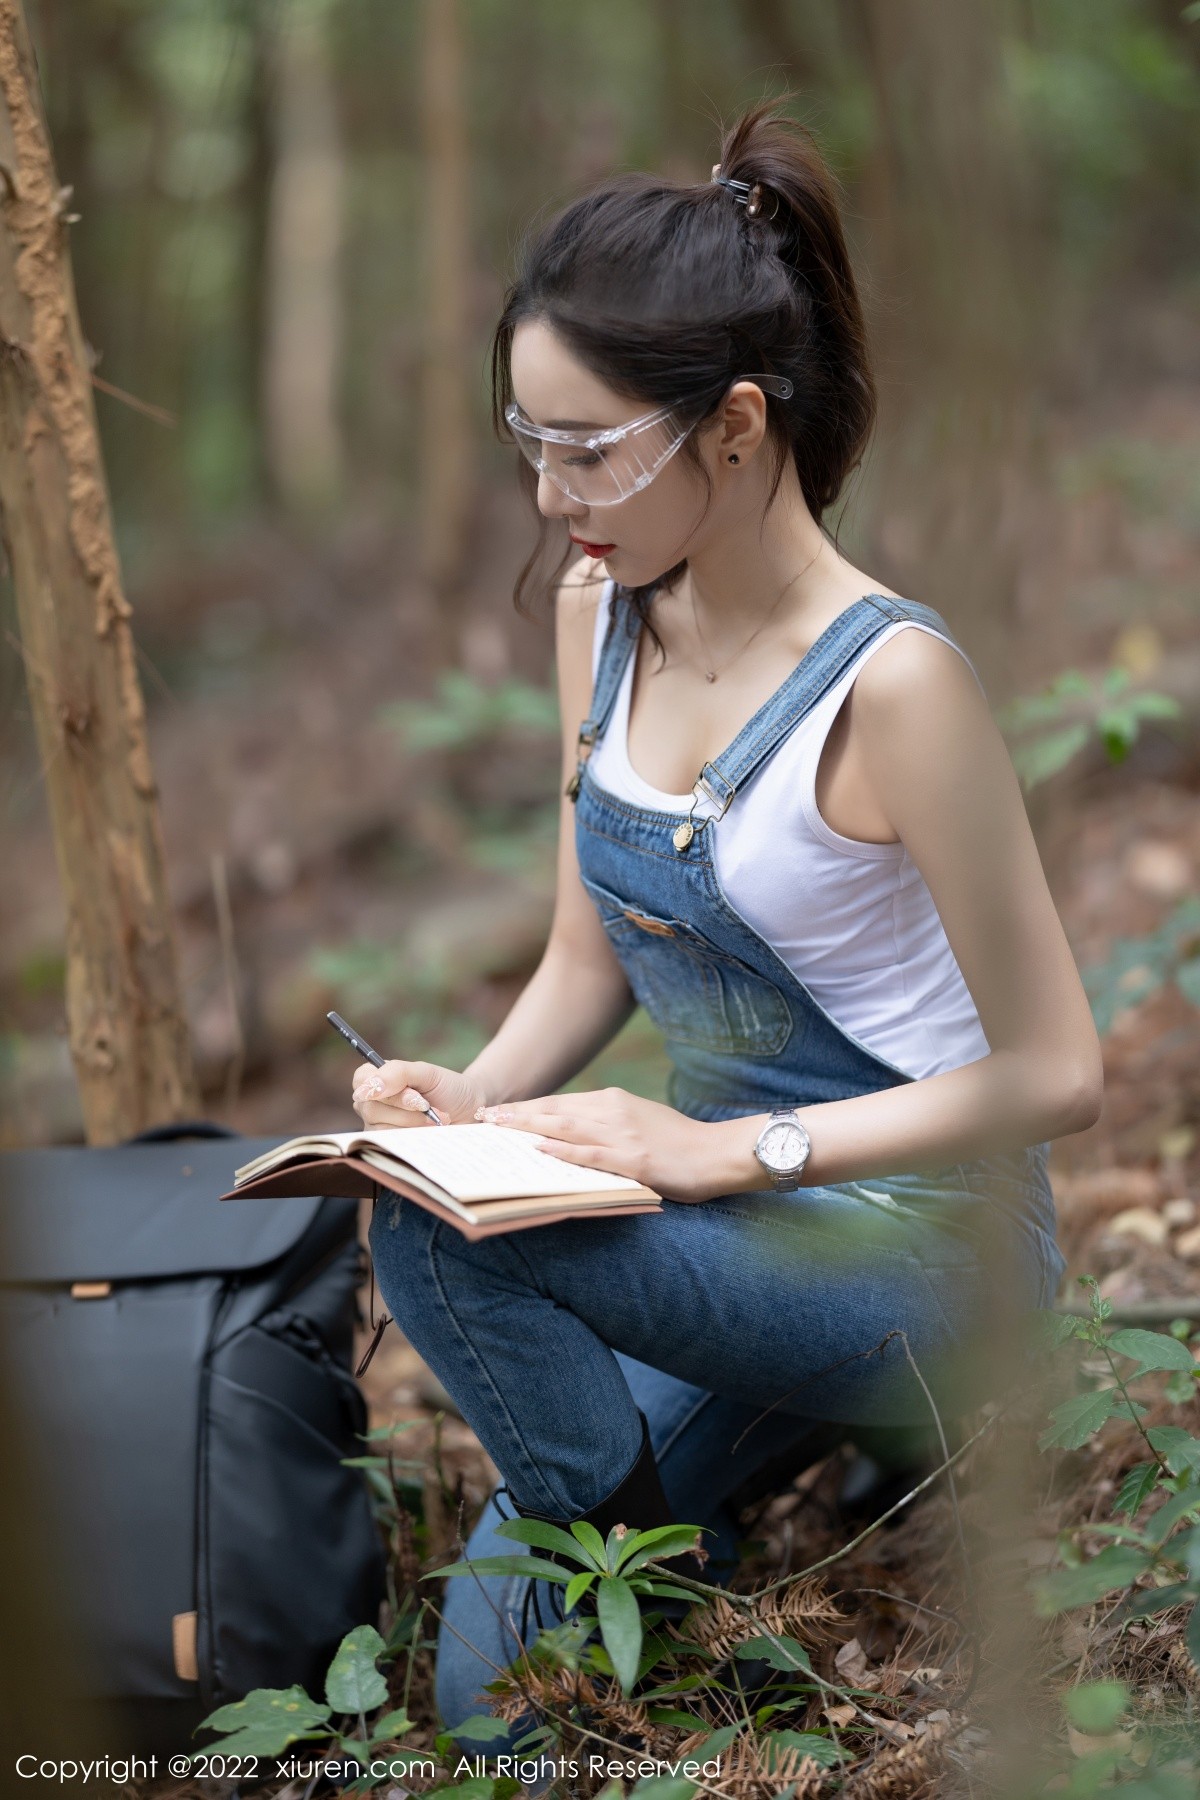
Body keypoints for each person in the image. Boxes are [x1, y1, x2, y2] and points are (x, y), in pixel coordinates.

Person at [353, 101, 1102, 1742]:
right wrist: (463, 1105)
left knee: (433, 1245)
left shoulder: (896, 687)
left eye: (593, 448)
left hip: (923, 1247)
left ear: (739, 424)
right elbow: (583, 959)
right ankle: (634, 1538)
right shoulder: (598, 617)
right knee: (492, 1702)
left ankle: (658, 1541)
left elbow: (1060, 1070)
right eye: (527, 440)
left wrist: (723, 1155)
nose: (554, 497)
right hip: (724, 1252)